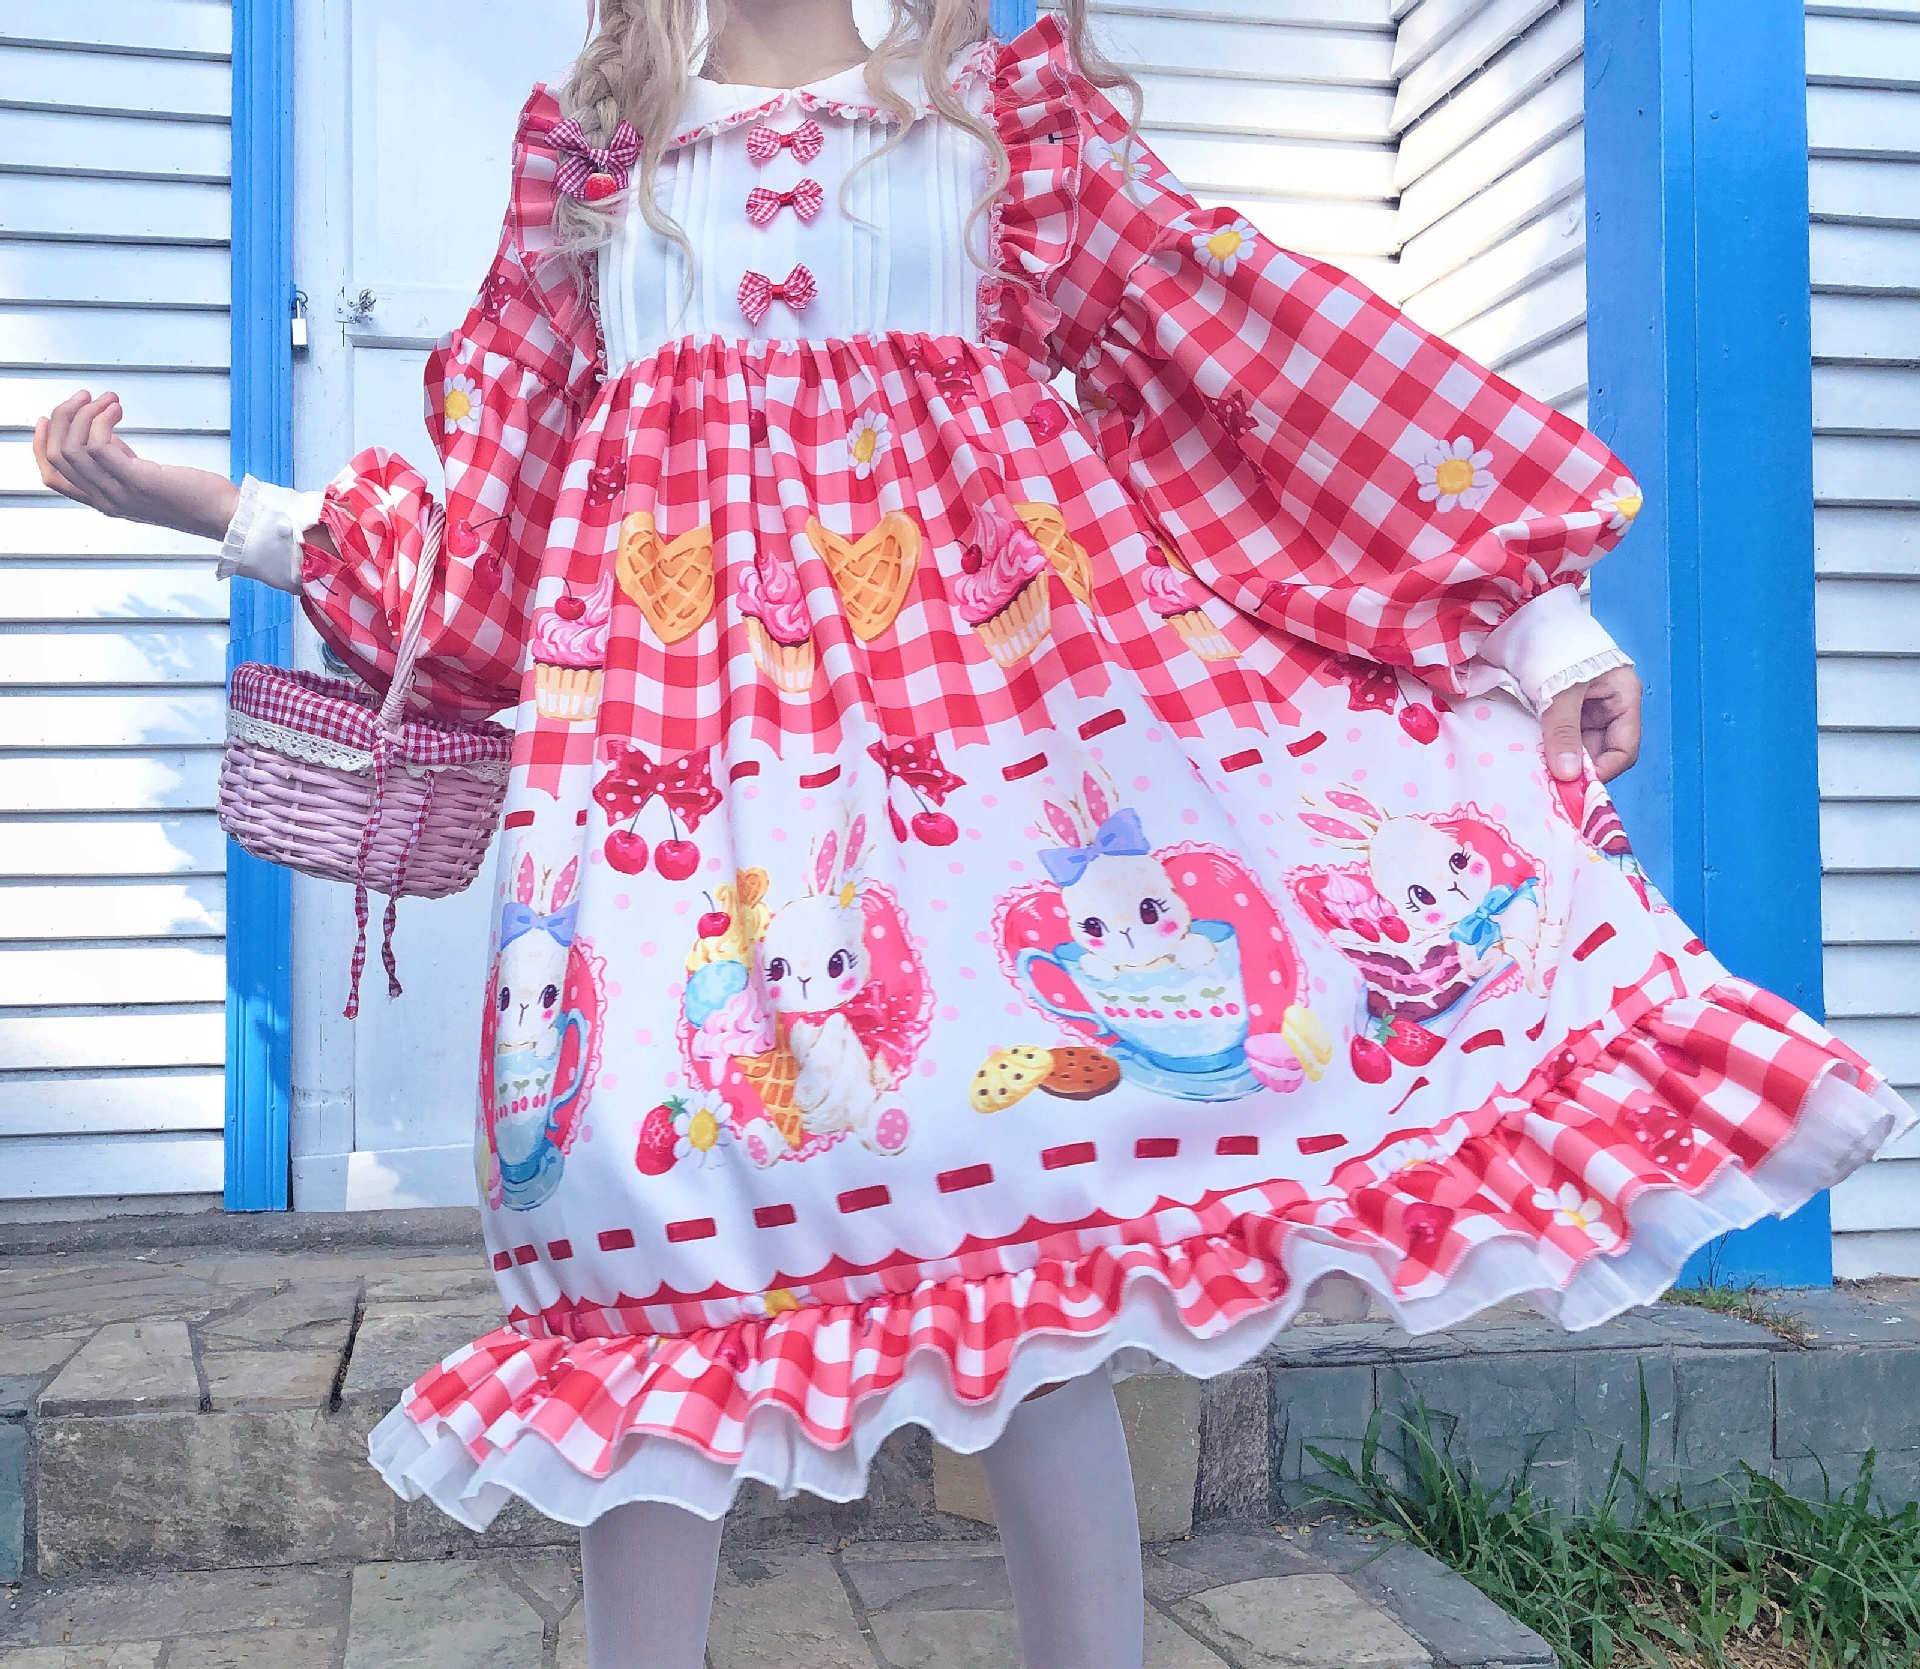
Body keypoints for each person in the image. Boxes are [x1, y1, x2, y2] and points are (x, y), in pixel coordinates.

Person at [34, 1, 1908, 1664]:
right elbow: (480, 537)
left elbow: (1259, 364)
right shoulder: (594, 166)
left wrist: (1539, 618)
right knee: (636, 1248)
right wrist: (204, 505)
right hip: (663, 826)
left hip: (986, 806)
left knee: (1021, 1266)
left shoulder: (995, 125)